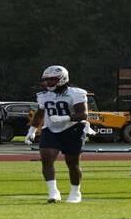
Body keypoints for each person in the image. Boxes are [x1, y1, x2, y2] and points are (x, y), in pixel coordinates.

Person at [25, 65, 88, 203]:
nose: (48, 83)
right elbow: (40, 112)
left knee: (72, 162)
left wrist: (64, 118)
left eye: (52, 80)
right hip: (51, 129)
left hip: (73, 129)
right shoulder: (43, 95)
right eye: (46, 80)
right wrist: (33, 130)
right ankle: (53, 192)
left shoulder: (76, 93)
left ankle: (75, 192)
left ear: (62, 79)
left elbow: (83, 114)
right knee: (46, 158)